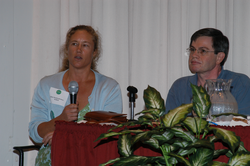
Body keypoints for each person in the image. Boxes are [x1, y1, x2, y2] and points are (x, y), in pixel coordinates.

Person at [29, 25, 123, 165]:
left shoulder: (109, 88)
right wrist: (61, 120)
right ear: (67, 49)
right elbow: (35, 132)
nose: (78, 49)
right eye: (74, 44)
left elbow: (109, 134)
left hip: (92, 158)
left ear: (95, 52)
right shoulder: (46, 85)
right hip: (53, 158)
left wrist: (63, 137)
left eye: (85, 45)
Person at [166, 28, 250, 115]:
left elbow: (245, 124)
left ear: (219, 57)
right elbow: (168, 125)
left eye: (202, 51)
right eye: (192, 49)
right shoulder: (180, 87)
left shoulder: (239, 83)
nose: (194, 55)